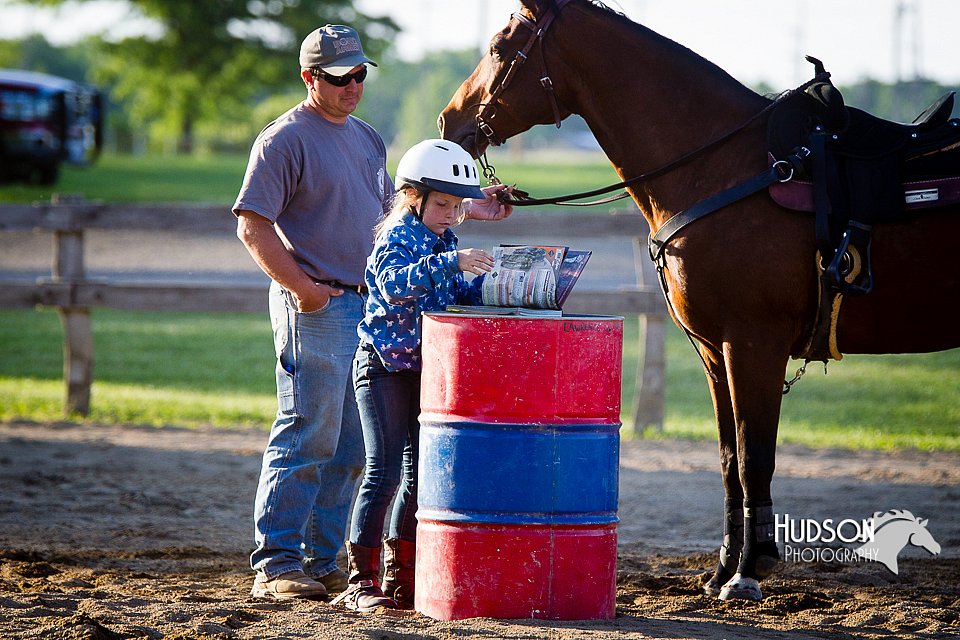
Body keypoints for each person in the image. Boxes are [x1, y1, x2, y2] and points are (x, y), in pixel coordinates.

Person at [232, 24, 391, 600]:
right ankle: (275, 564)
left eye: (360, 75)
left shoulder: (367, 138)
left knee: (353, 443)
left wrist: (471, 206)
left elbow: (392, 217)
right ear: (309, 79)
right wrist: (304, 289)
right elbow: (252, 224)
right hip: (317, 305)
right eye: (340, 77)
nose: (354, 86)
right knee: (308, 433)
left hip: (367, 306)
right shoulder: (284, 140)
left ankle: (324, 561)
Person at [334, 139, 513, 612]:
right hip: (383, 367)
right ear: (412, 197)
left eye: (457, 206)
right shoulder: (396, 236)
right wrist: (451, 263)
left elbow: (454, 292)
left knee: (417, 476)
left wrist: (505, 285)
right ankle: (361, 581)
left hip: (424, 368)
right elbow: (391, 284)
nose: (451, 214)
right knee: (384, 469)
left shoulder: (443, 238)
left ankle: (402, 576)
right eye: (441, 204)